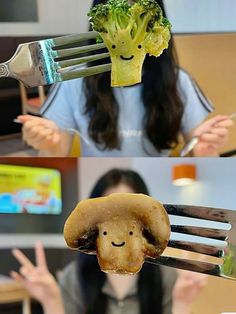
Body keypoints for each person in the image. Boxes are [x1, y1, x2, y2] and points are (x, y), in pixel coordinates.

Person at [16, 0, 234, 157]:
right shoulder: (74, 81)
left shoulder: (179, 81)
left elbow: (200, 148)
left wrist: (207, 148)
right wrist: (47, 143)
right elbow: (56, 151)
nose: (126, 38)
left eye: (138, 24)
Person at [11, 169, 207, 314]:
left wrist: (183, 303)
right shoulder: (75, 276)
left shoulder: (166, 277)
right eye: (110, 219)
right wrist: (51, 300)